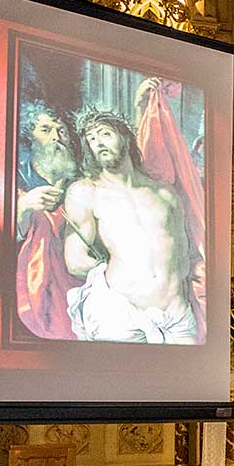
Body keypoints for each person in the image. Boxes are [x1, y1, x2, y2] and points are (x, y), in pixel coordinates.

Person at [64, 110, 198, 344]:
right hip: (121, 315)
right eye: (92, 139)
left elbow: (183, 255)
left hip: (176, 316)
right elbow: (75, 261)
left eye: (105, 134)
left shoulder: (165, 193)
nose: (99, 143)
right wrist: (125, 279)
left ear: (125, 138)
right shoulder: (86, 192)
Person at [15, 101, 81, 340]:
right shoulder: (18, 179)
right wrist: (23, 206)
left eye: (61, 131)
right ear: (30, 138)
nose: (56, 138)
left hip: (75, 280)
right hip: (32, 284)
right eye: (45, 130)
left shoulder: (81, 180)